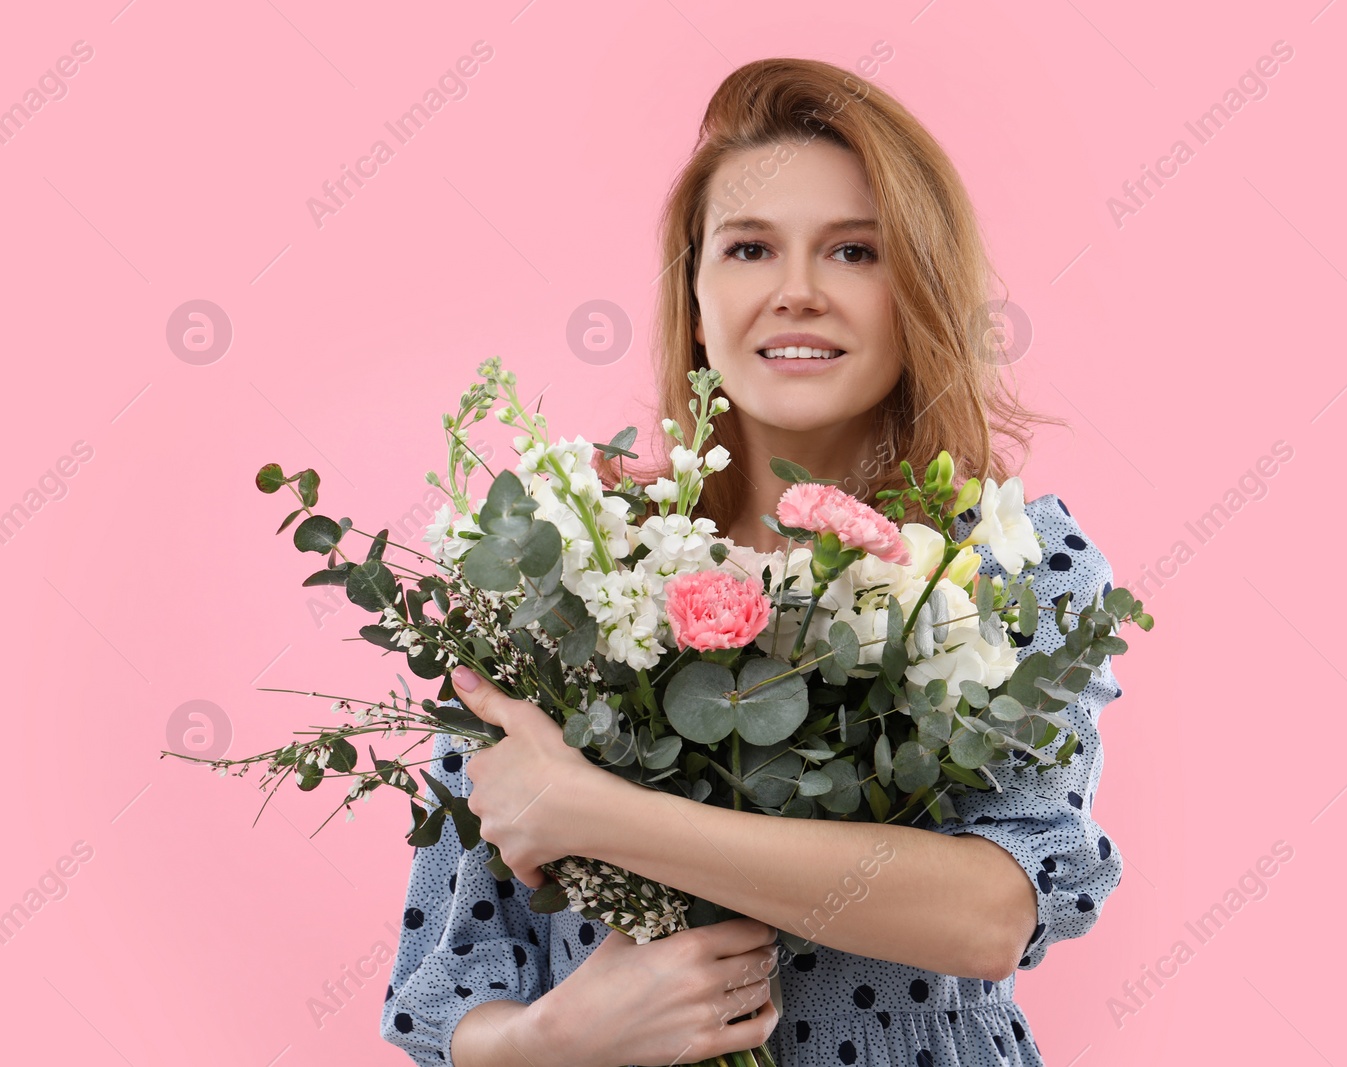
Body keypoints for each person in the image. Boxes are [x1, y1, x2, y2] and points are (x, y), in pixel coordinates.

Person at [380, 57, 1125, 1066]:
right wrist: (559, 1036)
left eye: (856, 251)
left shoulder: (1003, 562)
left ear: (922, 289)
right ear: (694, 295)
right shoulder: (559, 568)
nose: (798, 292)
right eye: (749, 249)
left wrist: (598, 812)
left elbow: (995, 906)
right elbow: (448, 978)